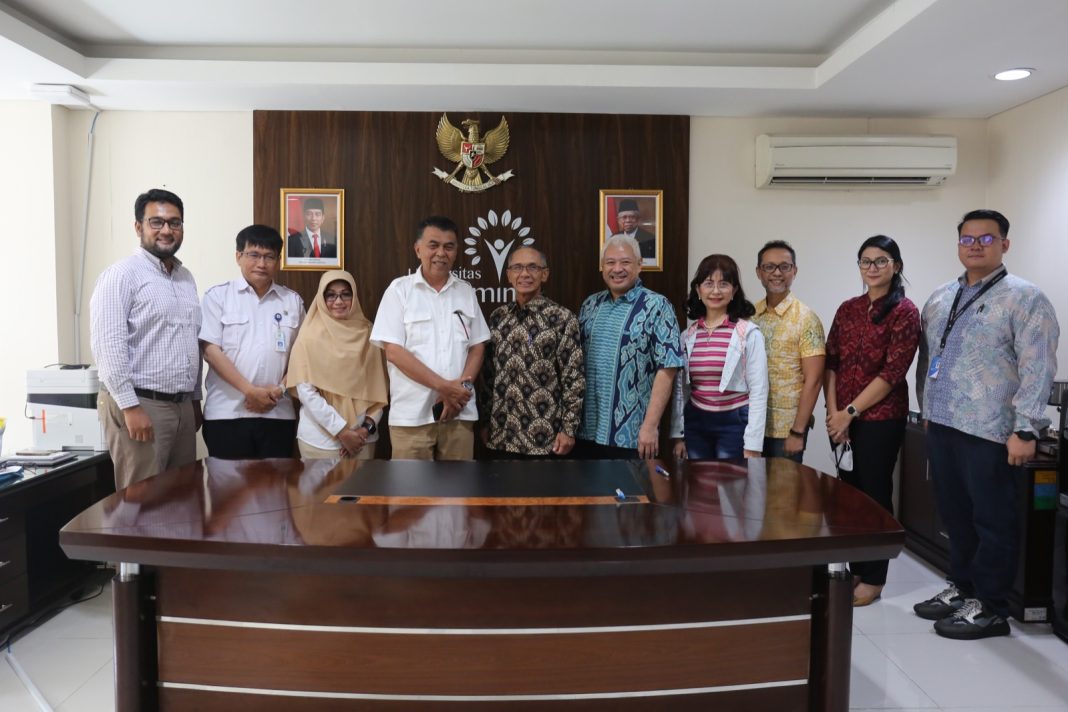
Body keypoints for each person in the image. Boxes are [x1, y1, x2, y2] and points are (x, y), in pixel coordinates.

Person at [913, 209, 1059, 640]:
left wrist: (1027, 428)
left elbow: (1039, 366)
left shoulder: (1025, 297)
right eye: (967, 239)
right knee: (956, 515)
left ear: (1004, 245)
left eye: (985, 238)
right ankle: (961, 588)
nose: (975, 245)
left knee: (992, 520)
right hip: (943, 424)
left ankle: (992, 606)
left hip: (993, 430)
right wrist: (926, 410)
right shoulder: (941, 296)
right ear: (958, 243)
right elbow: (928, 360)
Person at [824, 235, 920, 607]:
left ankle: (875, 577)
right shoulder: (848, 308)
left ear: (896, 265)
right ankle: (856, 569)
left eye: (881, 261)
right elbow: (831, 361)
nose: (873, 268)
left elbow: (893, 372)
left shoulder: (905, 312)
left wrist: (849, 412)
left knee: (875, 497)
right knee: (849, 498)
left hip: (880, 419)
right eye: (866, 261)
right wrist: (834, 413)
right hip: (841, 420)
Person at [90, 188, 202, 490]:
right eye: (157, 222)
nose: (167, 230)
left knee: (181, 498)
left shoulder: (184, 277)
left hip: (180, 407)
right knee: (144, 503)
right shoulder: (121, 275)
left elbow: (190, 341)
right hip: (141, 403)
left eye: (174, 223)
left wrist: (194, 400)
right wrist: (130, 407)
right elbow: (109, 347)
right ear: (139, 227)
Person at [370, 216, 490, 460]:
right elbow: (393, 351)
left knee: (457, 496)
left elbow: (477, 347)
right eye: (433, 245)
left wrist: (460, 391)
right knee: (411, 496)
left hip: (459, 413)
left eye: (449, 246)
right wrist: (444, 387)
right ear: (418, 249)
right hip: (411, 417)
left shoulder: (466, 292)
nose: (441, 253)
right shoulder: (399, 291)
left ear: (456, 251)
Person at [199, 225, 305, 459]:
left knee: (275, 491)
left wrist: (278, 391)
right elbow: (210, 351)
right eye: (254, 255)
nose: (261, 263)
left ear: (278, 260)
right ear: (238, 256)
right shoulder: (218, 297)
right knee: (229, 492)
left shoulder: (292, 301)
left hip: (278, 413)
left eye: (269, 257)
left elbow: (302, 358)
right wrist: (250, 391)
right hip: (227, 414)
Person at [575, 234, 684, 459]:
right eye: (610, 262)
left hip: (632, 435)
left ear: (639, 265)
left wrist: (650, 426)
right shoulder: (590, 305)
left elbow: (668, 369)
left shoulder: (657, 306)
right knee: (589, 494)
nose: (617, 269)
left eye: (625, 262)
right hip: (586, 432)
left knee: (631, 494)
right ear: (602, 266)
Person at [480, 246, 585, 457]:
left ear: (544, 274)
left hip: (544, 438)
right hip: (501, 435)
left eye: (533, 267)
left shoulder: (562, 318)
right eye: (517, 267)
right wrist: (484, 421)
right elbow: (488, 376)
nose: (525, 274)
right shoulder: (498, 318)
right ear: (508, 275)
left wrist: (568, 429)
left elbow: (574, 378)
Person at [670, 254, 768, 460]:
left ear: (734, 291)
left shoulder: (748, 333)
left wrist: (753, 445)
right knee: (698, 486)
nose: (715, 291)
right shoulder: (687, 336)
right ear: (698, 290)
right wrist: (679, 436)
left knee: (730, 488)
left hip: (734, 423)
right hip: (696, 422)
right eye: (708, 283)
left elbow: (759, 391)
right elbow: (681, 390)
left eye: (723, 284)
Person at [286, 271, 388, 459]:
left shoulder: (368, 333)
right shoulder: (308, 337)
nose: (339, 301)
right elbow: (306, 392)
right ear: (321, 298)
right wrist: (342, 432)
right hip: (320, 441)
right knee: (321, 490)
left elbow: (379, 390)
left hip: (362, 441)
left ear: (354, 297)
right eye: (331, 295)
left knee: (360, 489)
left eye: (345, 294)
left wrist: (366, 429)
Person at [751, 240, 825, 462]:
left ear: (794, 271)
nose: (777, 273)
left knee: (783, 495)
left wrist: (797, 431)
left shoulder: (806, 319)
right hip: (750, 426)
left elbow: (814, 379)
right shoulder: (749, 315)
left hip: (786, 431)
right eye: (769, 267)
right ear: (759, 272)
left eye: (784, 267)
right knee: (751, 494)